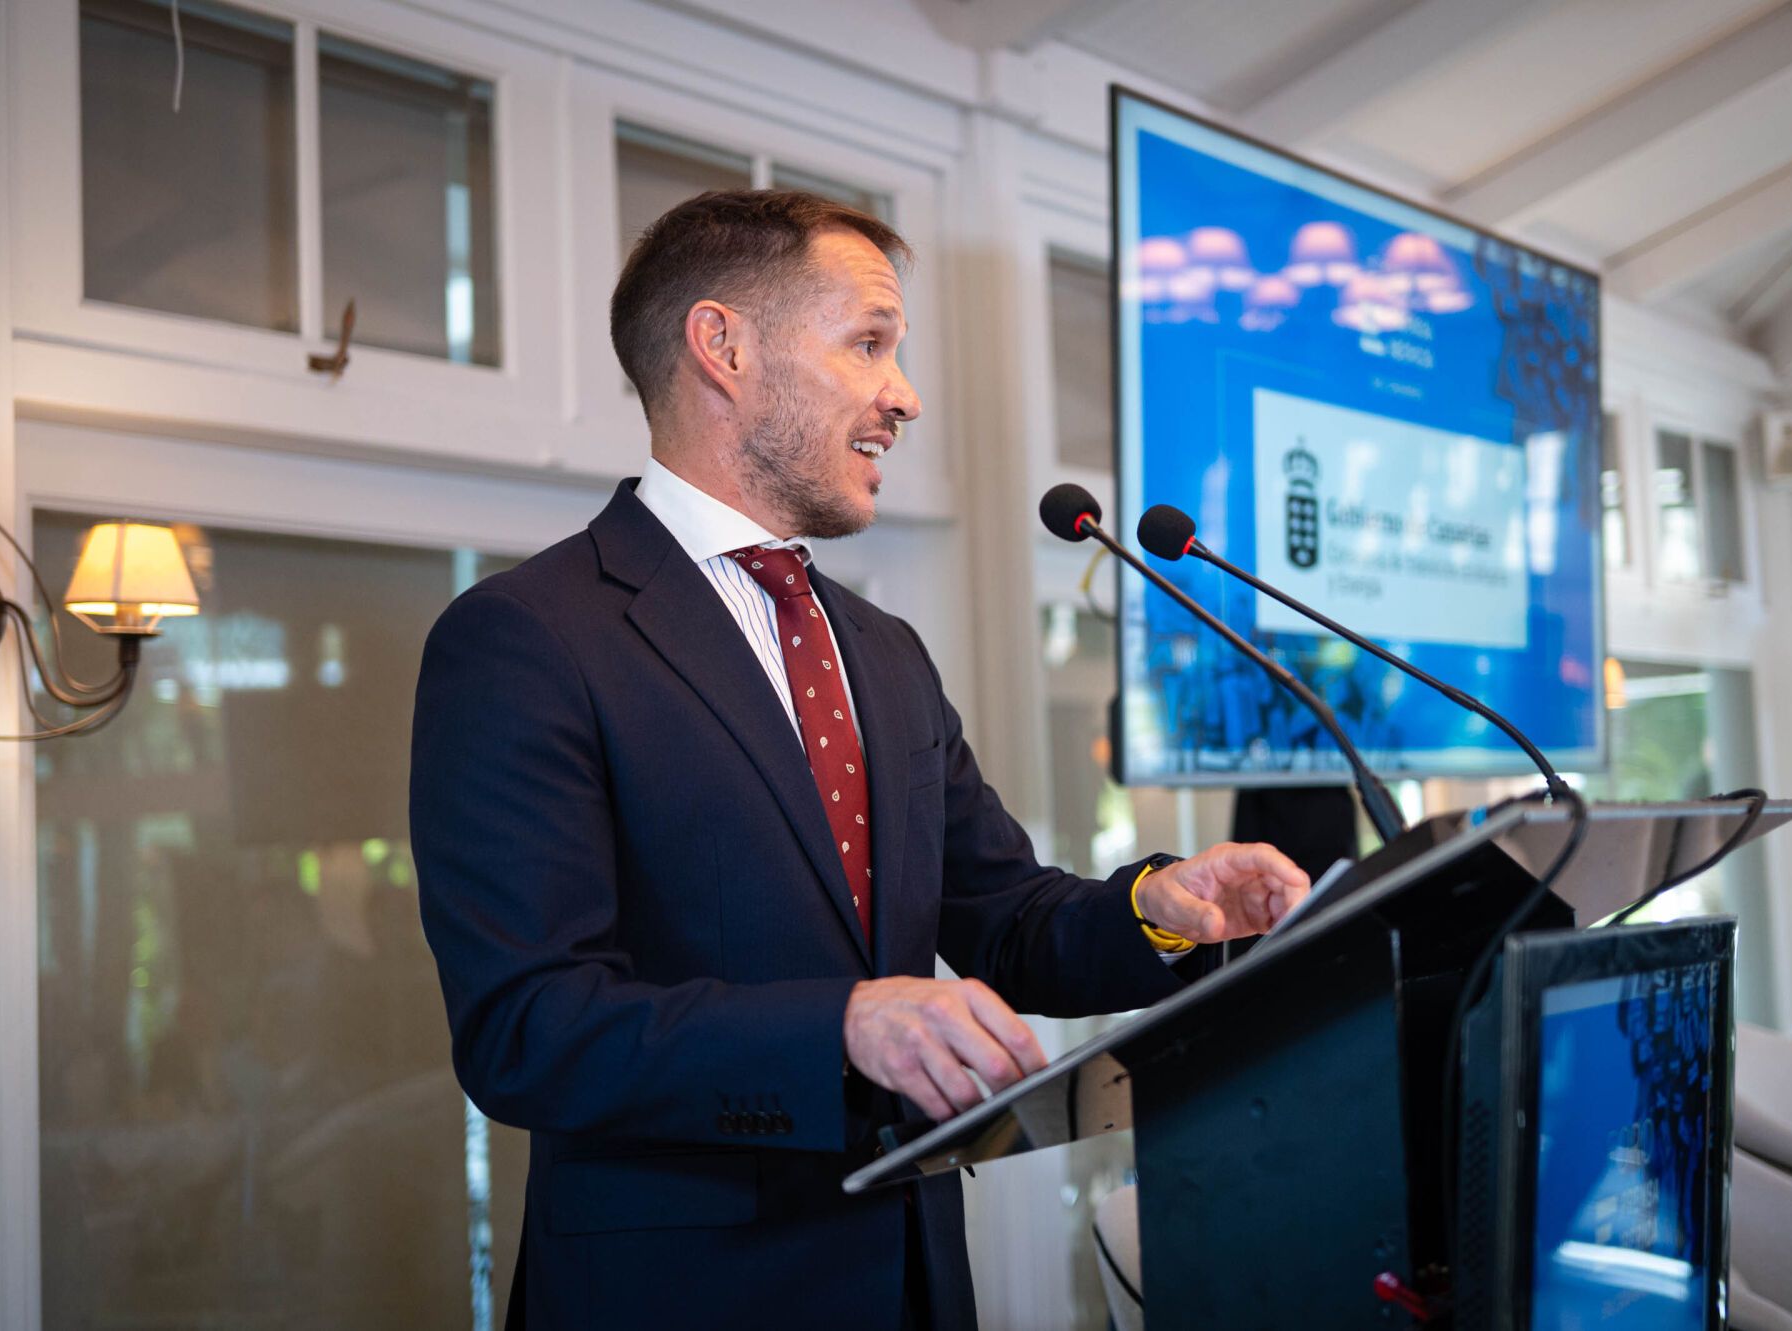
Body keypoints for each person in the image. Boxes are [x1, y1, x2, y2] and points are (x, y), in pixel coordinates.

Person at [410, 190, 1312, 1330]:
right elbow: (527, 1027)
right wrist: (837, 1021)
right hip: (679, 1297)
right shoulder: (529, 635)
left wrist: (1164, 910)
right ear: (723, 346)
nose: (906, 395)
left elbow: (1004, 916)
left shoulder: (881, 649)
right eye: (869, 342)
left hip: (912, 1282)